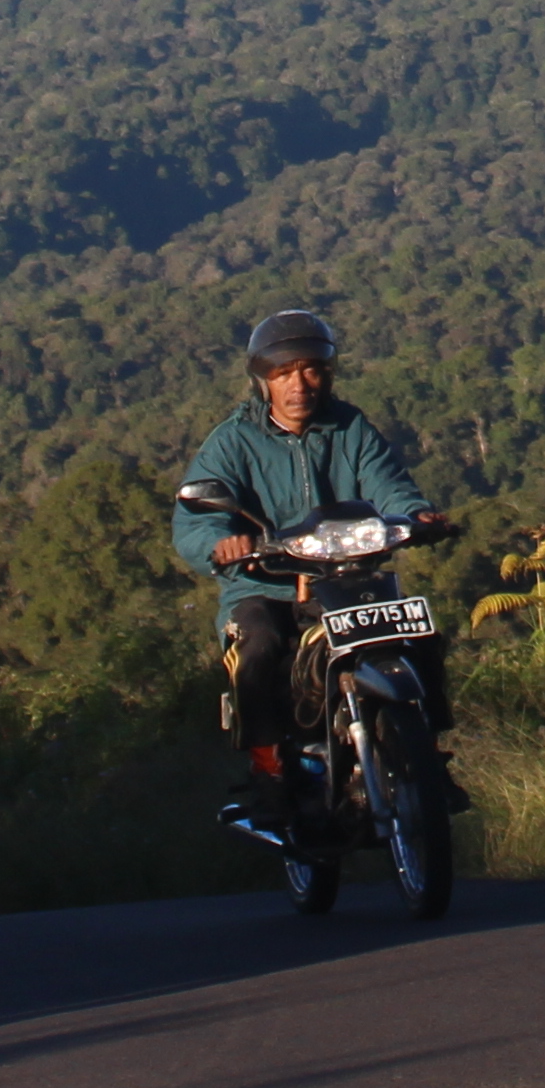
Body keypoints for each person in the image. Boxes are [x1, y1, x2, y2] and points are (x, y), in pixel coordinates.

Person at [170, 306, 437, 785]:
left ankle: (427, 754)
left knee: (415, 634)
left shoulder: (350, 428)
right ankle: (269, 768)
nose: (300, 385)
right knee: (258, 647)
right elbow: (195, 519)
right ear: (262, 381)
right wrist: (220, 543)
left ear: (328, 374)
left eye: (311, 370)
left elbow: (389, 483)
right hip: (262, 586)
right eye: (284, 373)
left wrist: (416, 515)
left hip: (343, 581)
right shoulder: (233, 441)